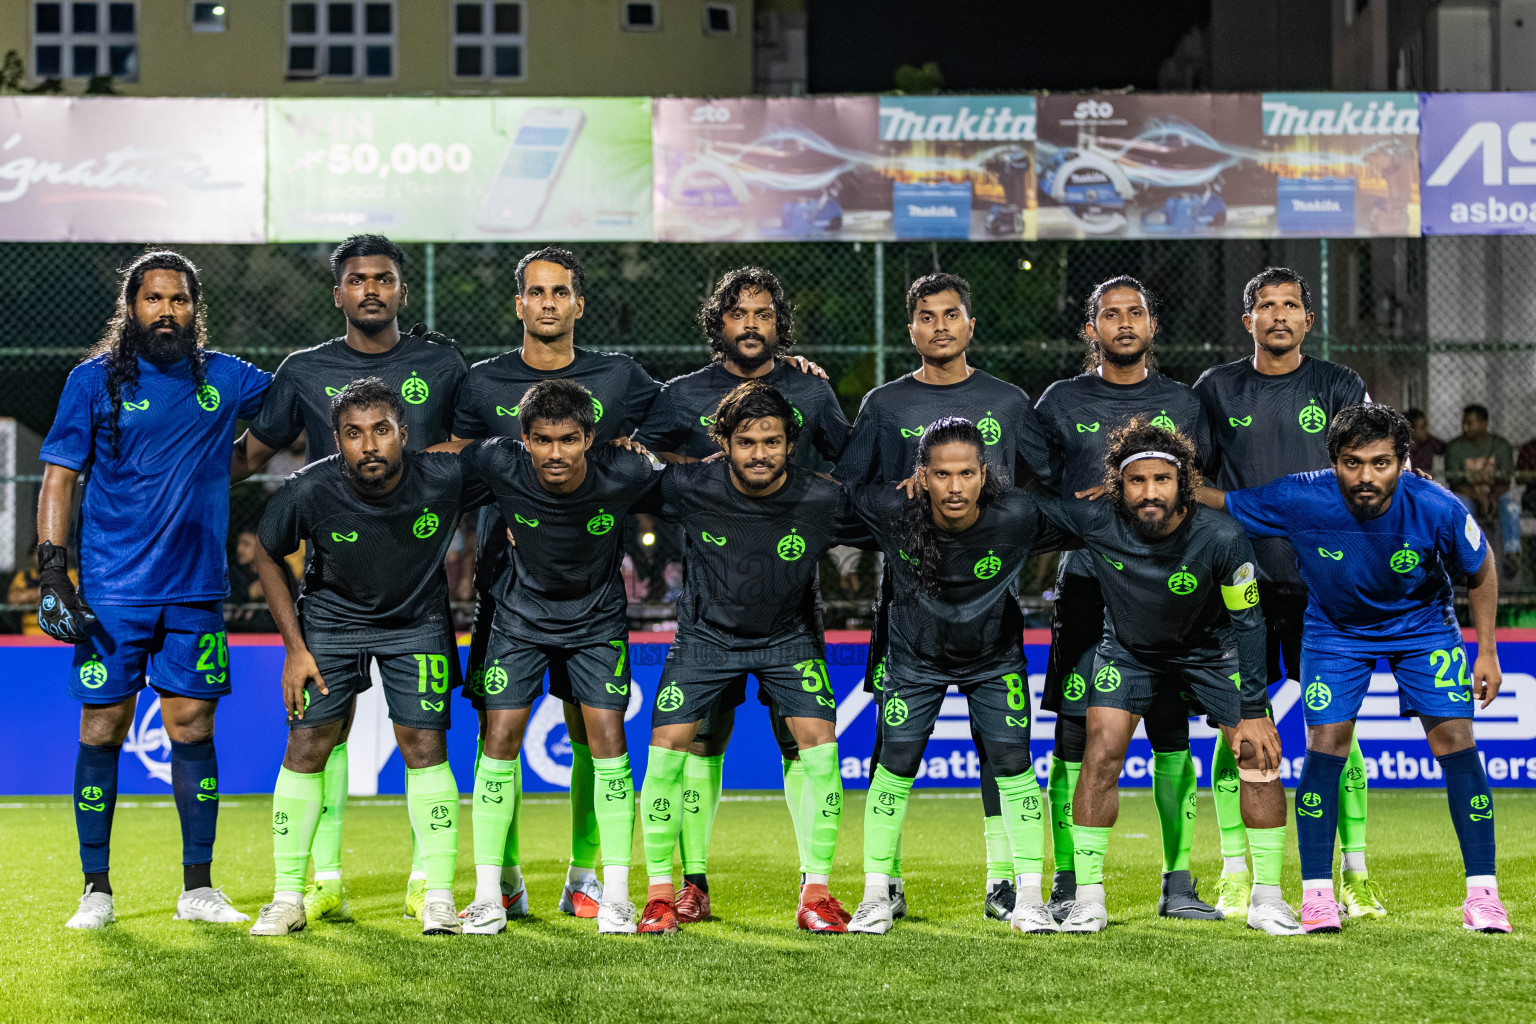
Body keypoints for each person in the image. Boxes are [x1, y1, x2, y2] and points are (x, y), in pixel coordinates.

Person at [1202, 404, 1511, 934]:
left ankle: (1483, 895)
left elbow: (1481, 568)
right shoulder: (1301, 496)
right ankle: (1319, 897)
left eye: (1381, 463)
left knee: (1456, 743)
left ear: (1403, 462)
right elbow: (1224, 501)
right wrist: (1162, 481)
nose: (1366, 476)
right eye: (1352, 462)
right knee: (1326, 747)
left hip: (1423, 628)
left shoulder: (1436, 504)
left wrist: (1487, 650)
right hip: (1335, 631)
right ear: (1334, 463)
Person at [230, 233, 468, 923]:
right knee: (319, 737)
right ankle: (314, 884)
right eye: (358, 279)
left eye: (384, 278)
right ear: (337, 293)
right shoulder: (304, 372)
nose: (371, 289)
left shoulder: (442, 362)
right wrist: (169, 480)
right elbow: (249, 457)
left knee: (423, 742)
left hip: (417, 589)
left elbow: (487, 442)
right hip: (332, 595)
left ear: (401, 290)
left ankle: (430, 887)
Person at [36, 250, 271, 929]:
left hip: (195, 590)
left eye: (179, 299)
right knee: (102, 727)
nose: (167, 310)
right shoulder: (92, 381)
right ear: (131, 307)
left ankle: (198, 888)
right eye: (154, 298)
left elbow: (290, 407)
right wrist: (53, 569)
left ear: (195, 309)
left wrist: (221, 467)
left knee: (193, 726)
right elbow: (58, 476)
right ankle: (96, 889)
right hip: (113, 592)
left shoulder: (227, 376)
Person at [632, 266, 850, 921]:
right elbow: (637, 462)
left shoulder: (809, 390)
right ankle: (689, 884)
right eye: (738, 313)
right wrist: (703, 482)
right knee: (701, 743)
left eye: (764, 314)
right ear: (718, 322)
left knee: (803, 745)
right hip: (710, 603)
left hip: (789, 603)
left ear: (780, 324)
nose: (751, 324)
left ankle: (815, 887)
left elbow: (854, 465)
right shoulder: (681, 395)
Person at [450, 246, 661, 921]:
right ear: (519, 304)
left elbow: (682, 426)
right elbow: (451, 464)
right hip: (506, 585)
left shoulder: (619, 376)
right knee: (497, 729)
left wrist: (777, 376)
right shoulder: (483, 383)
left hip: (591, 582)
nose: (548, 303)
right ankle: (502, 881)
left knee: (592, 731)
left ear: (578, 303)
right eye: (536, 292)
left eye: (560, 291)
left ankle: (587, 877)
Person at [834, 271, 1050, 924]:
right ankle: (885, 884)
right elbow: (848, 493)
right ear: (911, 330)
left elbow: (1047, 486)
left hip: (990, 599)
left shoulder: (1009, 401)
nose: (940, 327)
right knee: (892, 748)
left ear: (970, 324)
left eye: (951, 314)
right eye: (926, 317)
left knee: (1001, 750)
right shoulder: (885, 405)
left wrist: (1007, 524)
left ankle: (1006, 883)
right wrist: (890, 525)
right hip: (909, 602)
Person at [246, 378, 488, 936]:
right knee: (307, 745)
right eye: (353, 433)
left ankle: (437, 894)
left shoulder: (445, 475)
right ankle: (288, 896)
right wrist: (295, 650)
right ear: (337, 441)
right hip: (331, 624)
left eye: (381, 430)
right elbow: (266, 553)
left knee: (424, 748)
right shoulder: (309, 488)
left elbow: (517, 461)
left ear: (404, 433)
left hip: (416, 623)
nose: (369, 444)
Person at [1039, 419, 1297, 936]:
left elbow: (1249, 622)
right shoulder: (1096, 521)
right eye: (1137, 480)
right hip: (1128, 651)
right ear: (1119, 484)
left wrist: (1253, 710)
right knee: (1100, 753)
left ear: (1184, 483)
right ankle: (1088, 900)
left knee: (1257, 754)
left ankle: (1268, 899)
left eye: (1162, 479)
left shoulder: (1222, 536)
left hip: (1211, 651)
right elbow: (1018, 514)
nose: (1150, 492)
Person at [1193, 266, 1378, 918]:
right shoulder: (1216, 388)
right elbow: (1192, 480)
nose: (1279, 315)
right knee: (1237, 729)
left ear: (1307, 319)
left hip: (1322, 586)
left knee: (1336, 729)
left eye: (1290, 305)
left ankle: (1354, 873)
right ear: (1248, 320)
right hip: (1239, 586)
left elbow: (1369, 474)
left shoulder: (1338, 385)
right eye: (1266, 305)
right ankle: (1234, 871)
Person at [844, 418, 1071, 936]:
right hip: (913, 660)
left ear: (983, 475)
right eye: (942, 474)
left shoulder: (1016, 514)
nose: (955, 486)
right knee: (894, 765)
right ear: (921, 476)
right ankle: (875, 896)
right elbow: (822, 498)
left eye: (966, 473)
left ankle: (1029, 899)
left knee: (1014, 765)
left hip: (994, 660)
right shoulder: (891, 509)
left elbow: (1089, 519)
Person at [1033, 275, 1212, 922]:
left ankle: (1178, 882)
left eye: (1136, 312)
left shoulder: (1184, 403)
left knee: (1171, 735)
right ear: (1092, 329)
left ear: (1152, 325)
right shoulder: (1060, 401)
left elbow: (1203, 488)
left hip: (1167, 591)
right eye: (1111, 314)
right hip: (1086, 585)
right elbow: (1035, 493)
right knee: (1073, 736)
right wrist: (1079, 512)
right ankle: (1068, 881)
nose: (1125, 322)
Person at [226, 529, 290, 633]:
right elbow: (228, 604)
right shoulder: (234, 572)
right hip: (241, 631)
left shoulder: (280, 568)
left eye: (246, 544)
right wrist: (248, 594)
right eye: (239, 543)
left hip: (275, 631)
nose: (239, 549)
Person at [1405, 408, 1446, 476]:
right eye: (1422, 427)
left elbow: (1445, 448)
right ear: (1411, 429)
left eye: (1426, 426)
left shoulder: (1430, 442)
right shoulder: (1403, 448)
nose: (1426, 430)